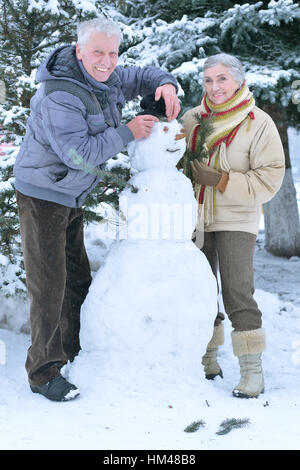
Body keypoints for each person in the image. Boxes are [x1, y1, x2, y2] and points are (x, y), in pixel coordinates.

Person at [14, 17, 180, 402]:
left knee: (76, 277)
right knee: (49, 286)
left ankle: (72, 350)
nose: (106, 61)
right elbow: (79, 155)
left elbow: (144, 74)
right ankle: (42, 372)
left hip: (68, 196)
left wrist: (165, 84)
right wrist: (128, 132)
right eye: (97, 53)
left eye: (112, 52)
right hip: (43, 196)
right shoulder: (60, 95)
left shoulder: (109, 75)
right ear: (79, 51)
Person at [182, 53, 285, 398]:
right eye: (209, 80)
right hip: (196, 218)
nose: (215, 87)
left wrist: (222, 180)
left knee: (237, 291)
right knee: (200, 289)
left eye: (222, 79)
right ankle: (208, 358)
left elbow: (270, 178)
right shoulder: (193, 119)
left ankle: (252, 371)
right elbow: (174, 161)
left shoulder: (258, 122)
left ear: (239, 80)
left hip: (237, 219)